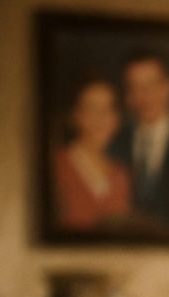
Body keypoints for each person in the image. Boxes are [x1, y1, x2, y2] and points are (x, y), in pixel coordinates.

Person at [108, 49, 169, 226]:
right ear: (127, 96)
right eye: (135, 87)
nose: (144, 96)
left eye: (151, 84)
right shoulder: (114, 143)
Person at [52, 74, 132, 230]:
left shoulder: (120, 175)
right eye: (92, 109)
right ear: (75, 115)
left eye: (108, 109)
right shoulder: (58, 165)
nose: (101, 118)